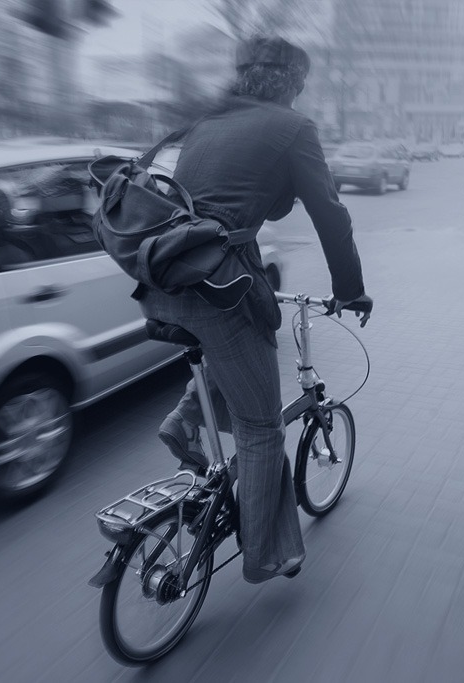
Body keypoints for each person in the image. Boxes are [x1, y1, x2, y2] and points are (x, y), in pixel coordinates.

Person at [136, 35, 371, 584]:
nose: (301, 93)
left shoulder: (207, 123)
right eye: (301, 83)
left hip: (163, 279)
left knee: (236, 355)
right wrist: (350, 289)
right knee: (262, 426)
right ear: (289, 81)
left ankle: (184, 421)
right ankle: (266, 554)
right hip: (220, 285)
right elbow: (330, 215)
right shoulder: (293, 127)